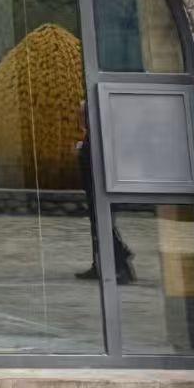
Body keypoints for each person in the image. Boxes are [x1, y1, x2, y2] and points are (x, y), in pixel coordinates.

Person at [73, 101, 135, 284]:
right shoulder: (91, 136)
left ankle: (122, 263)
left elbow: (97, 162)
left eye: (82, 116)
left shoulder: (99, 137)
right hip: (93, 190)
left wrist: (81, 151)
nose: (79, 120)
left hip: (101, 191)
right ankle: (99, 265)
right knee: (98, 228)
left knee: (104, 228)